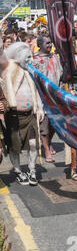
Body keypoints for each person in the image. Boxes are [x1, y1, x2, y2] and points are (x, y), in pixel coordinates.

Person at [0, 41, 44, 186]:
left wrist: (40, 108)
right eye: (28, 57)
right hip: (13, 116)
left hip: (30, 115)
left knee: (33, 144)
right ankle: (18, 171)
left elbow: (35, 91)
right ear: (19, 55)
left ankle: (32, 169)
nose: (30, 60)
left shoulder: (26, 71)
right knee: (15, 147)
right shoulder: (7, 67)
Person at [32, 34, 63, 163]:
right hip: (42, 97)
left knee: (55, 124)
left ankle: (49, 143)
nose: (50, 45)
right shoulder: (34, 60)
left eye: (50, 43)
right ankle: (46, 150)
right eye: (47, 43)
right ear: (40, 44)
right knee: (44, 124)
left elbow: (60, 73)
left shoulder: (55, 57)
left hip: (55, 96)